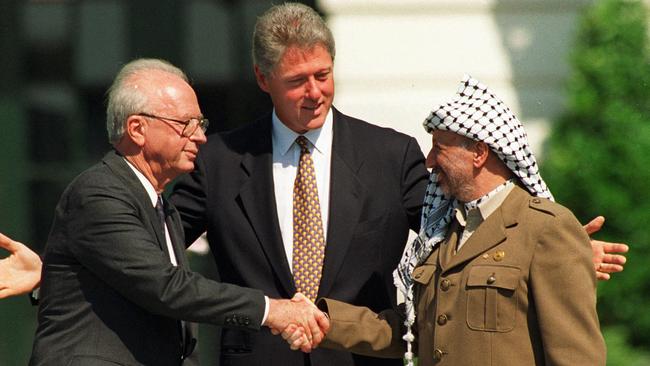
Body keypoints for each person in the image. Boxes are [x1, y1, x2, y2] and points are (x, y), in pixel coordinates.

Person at [168, 3, 623, 366]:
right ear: (262, 79)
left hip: (361, 357)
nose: (314, 92)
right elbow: (159, 253)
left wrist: (551, 247)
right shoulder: (219, 162)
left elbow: (457, 229)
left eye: (323, 75)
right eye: (296, 81)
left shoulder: (391, 154)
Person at [24, 58, 327, 366]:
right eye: (186, 124)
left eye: (201, 124)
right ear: (137, 129)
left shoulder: (162, 207)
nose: (200, 136)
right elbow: (166, 288)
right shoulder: (98, 194)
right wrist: (271, 311)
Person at [293, 75, 606, 365]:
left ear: (479, 153)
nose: (429, 162)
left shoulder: (546, 229)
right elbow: (411, 329)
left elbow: (575, 356)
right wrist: (325, 322)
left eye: (439, 150)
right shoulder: (444, 232)